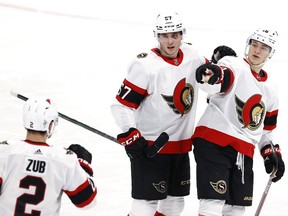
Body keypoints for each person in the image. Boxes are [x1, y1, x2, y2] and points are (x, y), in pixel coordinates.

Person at [110, 11, 210, 216]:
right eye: (165, 36)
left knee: (175, 204)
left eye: (174, 35)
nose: (170, 41)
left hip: (181, 146)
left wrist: (218, 64)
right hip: (151, 147)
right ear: (157, 36)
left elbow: (211, 76)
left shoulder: (193, 56)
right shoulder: (145, 66)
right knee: (145, 205)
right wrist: (131, 133)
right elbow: (121, 105)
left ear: (183, 34)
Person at [192, 29, 285, 216]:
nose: (257, 51)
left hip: (243, 152)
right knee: (213, 203)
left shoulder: (271, 92)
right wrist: (212, 74)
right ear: (248, 46)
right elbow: (222, 78)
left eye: (264, 48)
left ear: (270, 53)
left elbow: (266, 131)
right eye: (254, 45)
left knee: (236, 209)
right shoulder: (233, 63)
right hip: (214, 142)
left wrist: (271, 154)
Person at [0, 97, 97, 215]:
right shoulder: (64, 159)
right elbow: (87, 202)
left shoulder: (5, 152)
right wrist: (83, 167)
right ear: (50, 124)